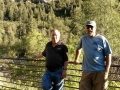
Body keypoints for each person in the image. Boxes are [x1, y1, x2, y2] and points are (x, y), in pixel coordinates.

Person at [74, 20, 112, 90]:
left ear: (95, 28)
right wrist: (76, 59)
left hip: (100, 72)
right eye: (88, 27)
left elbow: (108, 54)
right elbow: (78, 48)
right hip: (86, 72)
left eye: (91, 27)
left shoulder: (102, 39)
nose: (89, 29)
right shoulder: (83, 38)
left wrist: (107, 70)